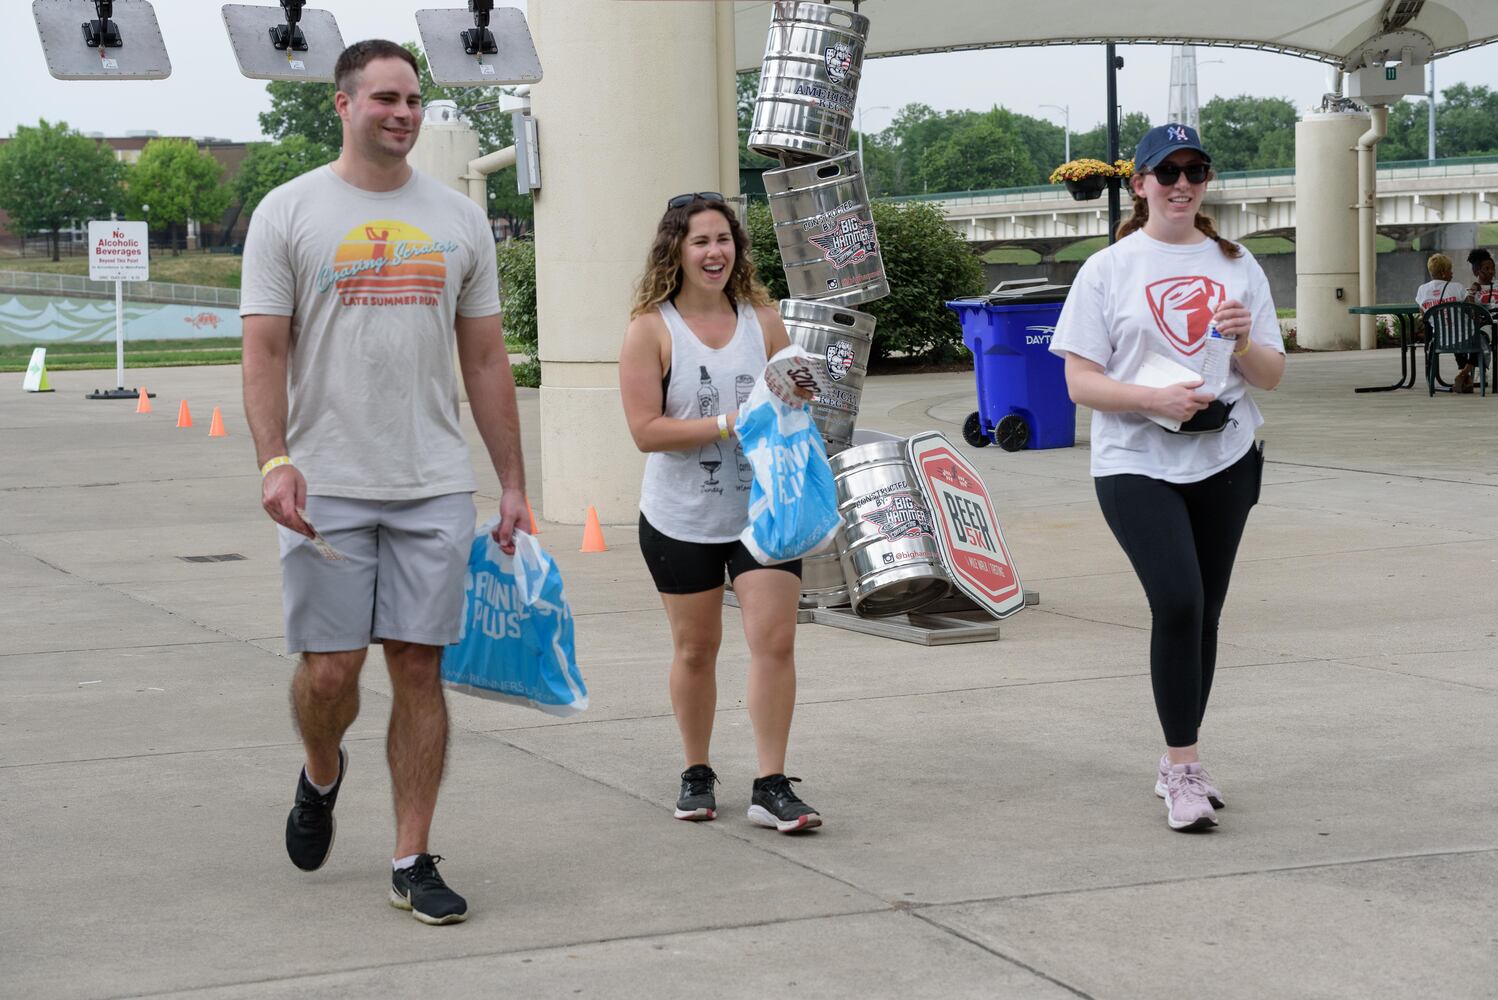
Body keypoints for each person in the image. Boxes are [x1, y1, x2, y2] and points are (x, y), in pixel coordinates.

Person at [240, 39, 527, 924]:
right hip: (325, 483)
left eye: (412, 100)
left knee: (417, 666)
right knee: (330, 674)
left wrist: (512, 481)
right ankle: (322, 771)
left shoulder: (457, 217)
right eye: (385, 99)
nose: (403, 113)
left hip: (432, 480)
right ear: (344, 105)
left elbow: (484, 358)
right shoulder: (288, 213)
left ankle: (411, 855)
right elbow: (264, 349)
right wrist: (275, 459)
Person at [1050, 123, 1286, 833]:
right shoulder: (1109, 269)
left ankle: (1181, 756)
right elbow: (1079, 384)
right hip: (1136, 459)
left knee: (1205, 612)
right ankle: (1182, 770)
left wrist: (1244, 338)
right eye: (1168, 172)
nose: (1182, 184)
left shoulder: (1238, 263)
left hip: (1225, 456)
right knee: (1177, 600)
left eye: (1196, 171)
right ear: (1140, 184)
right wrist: (1152, 400)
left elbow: (1270, 376)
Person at [617, 193, 822, 834]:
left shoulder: (763, 319)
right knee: (697, 649)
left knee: (775, 641)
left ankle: (771, 784)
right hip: (681, 516)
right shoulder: (651, 328)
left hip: (765, 508)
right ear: (675, 249)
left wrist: (801, 390)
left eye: (724, 240)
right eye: (701, 241)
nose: (715, 253)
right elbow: (645, 431)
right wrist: (728, 422)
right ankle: (697, 771)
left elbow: (790, 399)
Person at [1454, 248, 1497, 392]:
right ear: (1476, 271)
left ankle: (1465, 372)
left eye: (1493, 268)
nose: (1491, 271)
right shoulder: (1472, 290)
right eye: (1487, 268)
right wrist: (1473, 291)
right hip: (1485, 325)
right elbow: (1470, 309)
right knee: (1477, 334)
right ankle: (1472, 371)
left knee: (1483, 334)